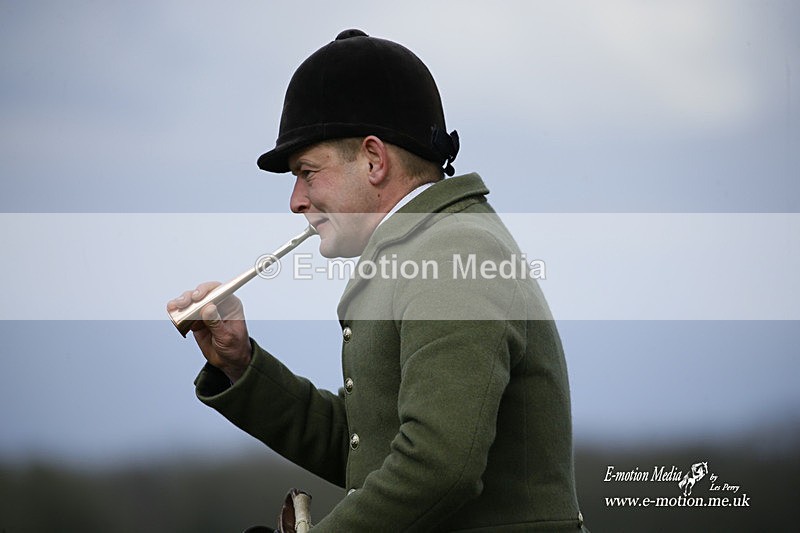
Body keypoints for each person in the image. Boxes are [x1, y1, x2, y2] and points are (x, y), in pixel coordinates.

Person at [168, 29, 587, 531]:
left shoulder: (452, 252)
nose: (296, 200)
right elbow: (366, 445)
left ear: (373, 159)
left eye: (307, 171)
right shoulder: (425, 249)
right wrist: (241, 365)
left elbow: (437, 468)